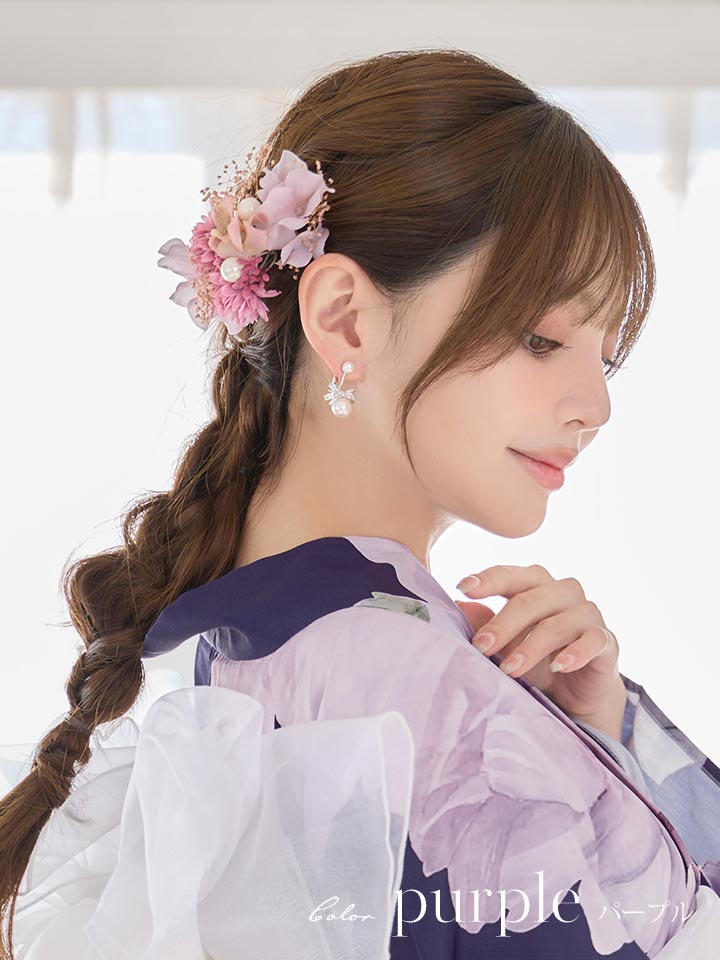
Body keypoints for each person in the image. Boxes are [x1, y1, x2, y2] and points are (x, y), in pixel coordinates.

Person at [0, 47, 718, 959]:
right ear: (343, 318)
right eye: (543, 338)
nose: (596, 406)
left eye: (605, 356)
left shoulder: (233, 651)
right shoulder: (408, 686)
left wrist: (593, 725)